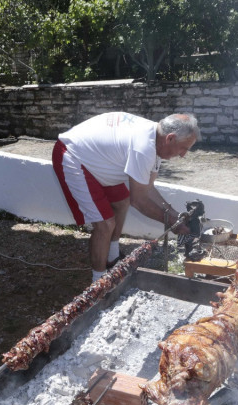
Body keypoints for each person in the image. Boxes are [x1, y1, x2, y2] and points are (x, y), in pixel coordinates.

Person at [52, 112, 200, 281]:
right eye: (184, 148)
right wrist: (172, 222)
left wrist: (174, 215)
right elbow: (139, 201)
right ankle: (98, 283)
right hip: (73, 155)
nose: (183, 155)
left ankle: (112, 257)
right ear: (171, 138)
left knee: (122, 202)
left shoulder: (156, 139)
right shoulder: (143, 147)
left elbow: (148, 188)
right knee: (105, 224)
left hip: (99, 159)